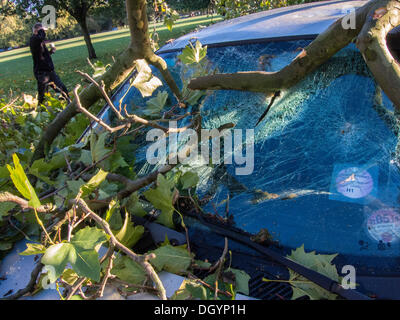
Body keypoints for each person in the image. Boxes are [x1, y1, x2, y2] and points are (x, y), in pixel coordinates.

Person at [29, 23, 70, 105]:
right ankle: (40, 110)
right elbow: (42, 36)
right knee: (42, 95)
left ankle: (69, 104)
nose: (44, 32)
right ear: (37, 30)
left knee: (61, 88)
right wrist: (41, 29)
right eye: (42, 30)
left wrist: (51, 51)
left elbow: (42, 55)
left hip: (49, 71)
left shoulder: (39, 41)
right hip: (42, 73)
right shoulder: (34, 39)